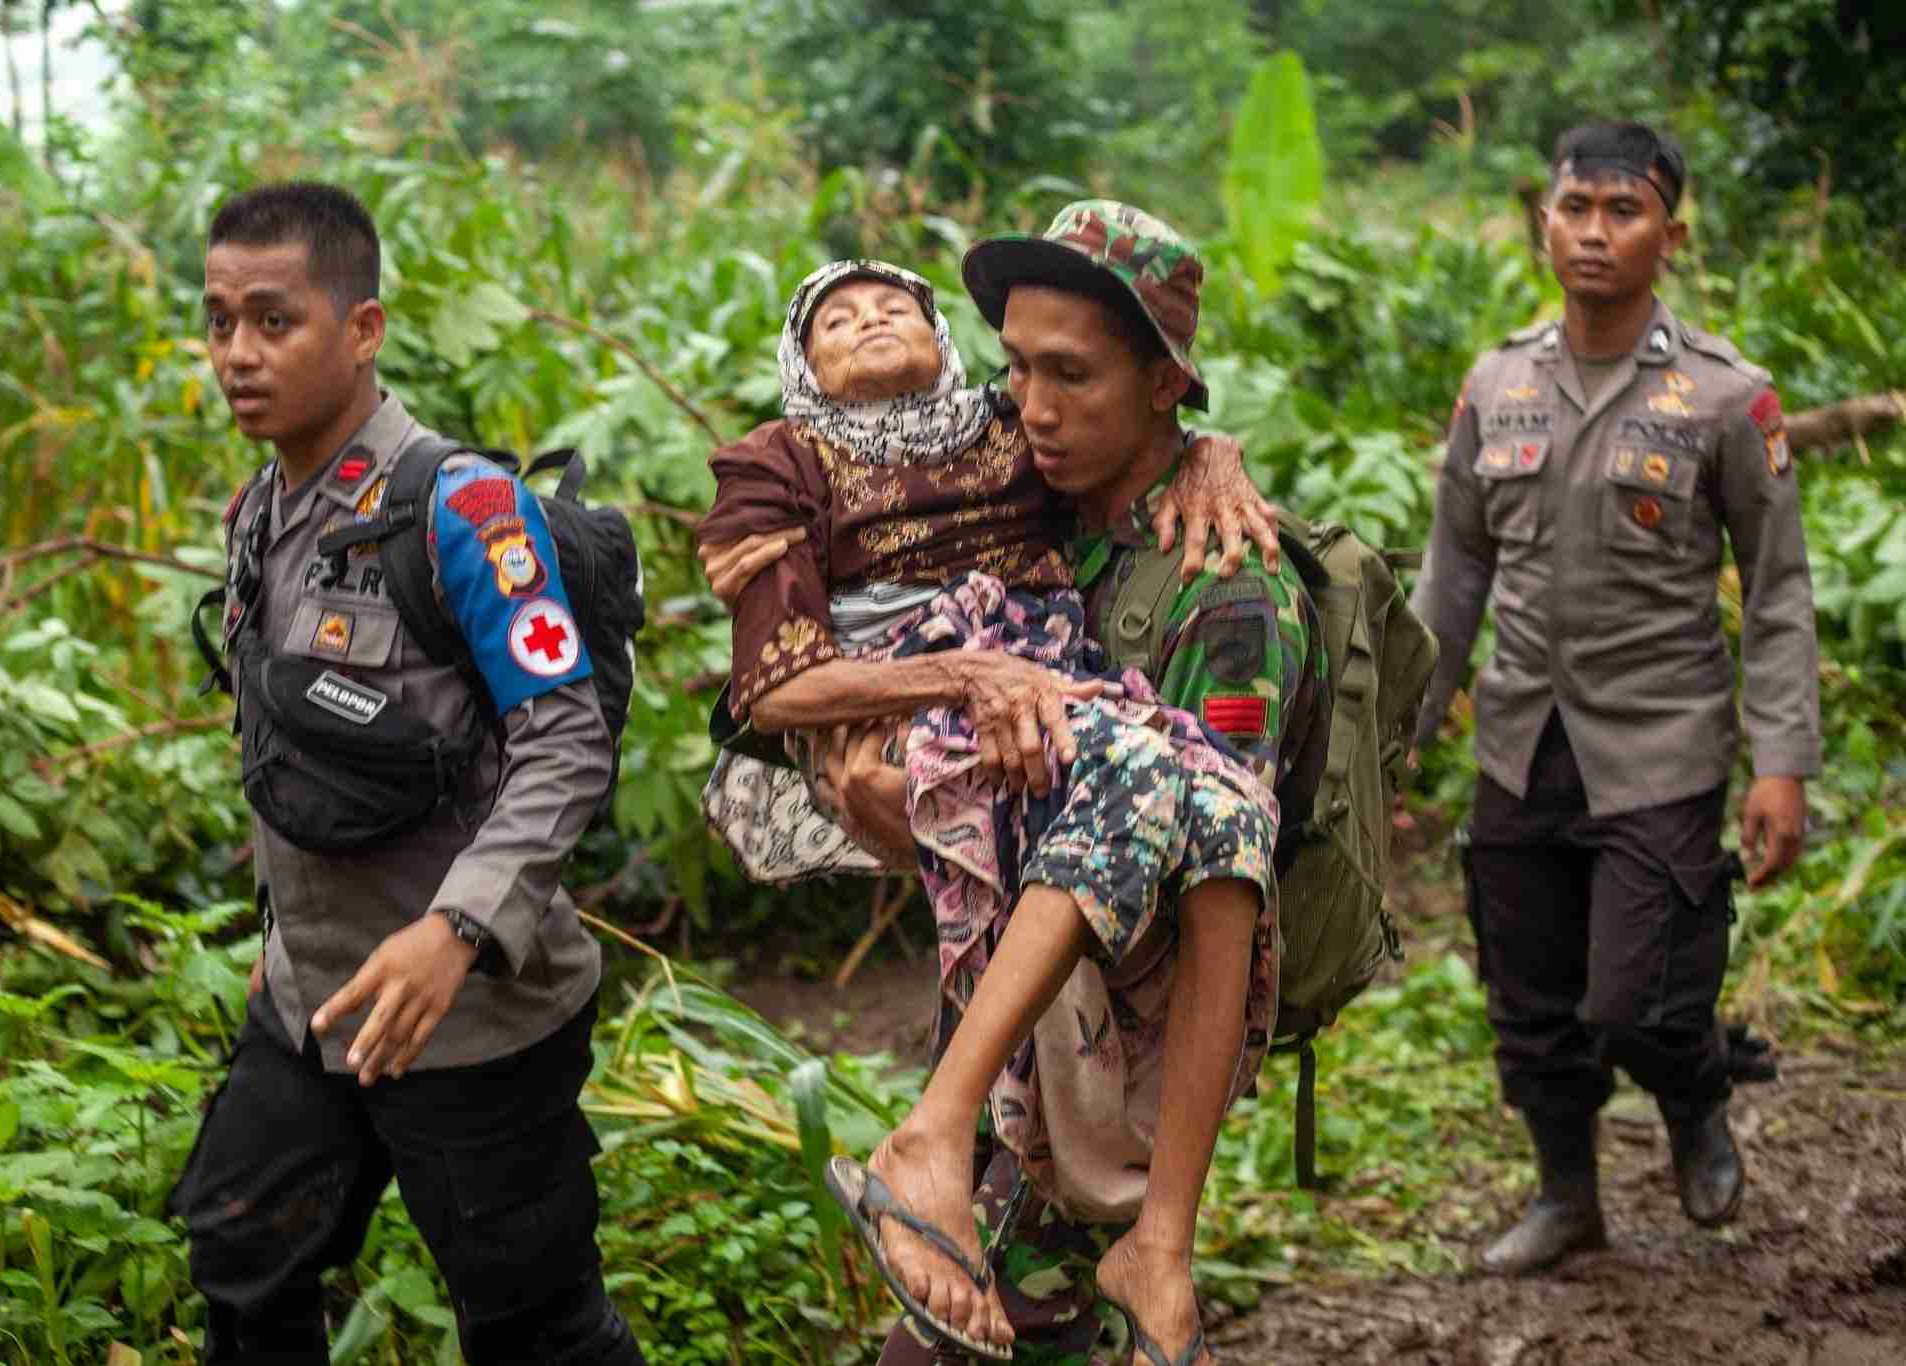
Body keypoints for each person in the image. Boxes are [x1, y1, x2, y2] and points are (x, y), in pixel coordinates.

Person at [704, 204, 1321, 1366]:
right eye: (1016, 367)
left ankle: (1029, 1197)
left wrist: (1164, 1225)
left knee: (964, 1345)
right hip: (1000, 1032)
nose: (1030, 408)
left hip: (1100, 1070)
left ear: (1164, 382)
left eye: (1071, 374)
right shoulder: (1033, 514)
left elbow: (1219, 896)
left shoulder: (1221, 588)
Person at [169, 182, 646, 1364]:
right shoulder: (259, 511)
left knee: (536, 1327)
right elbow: (288, 749)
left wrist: (459, 930)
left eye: (273, 321)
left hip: (472, 1016)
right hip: (316, 1003)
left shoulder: (463, 512)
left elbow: (564, 738)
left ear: (364, 328)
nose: (237, 352)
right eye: (220, 319)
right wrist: (281, 947)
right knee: (239, 1249)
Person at [1411, 123, 1820, 1277]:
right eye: (1573, 208)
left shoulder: (1726, 398)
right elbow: (1451, 576)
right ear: (1540, 221)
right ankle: (1565, 1196)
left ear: (1669, 235)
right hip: (1518, 738)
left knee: (1637, 997)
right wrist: (1393, 733)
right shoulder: (1495, 385)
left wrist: (1780, 760)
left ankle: (1692, 1097)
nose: (1593, 232)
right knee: (1528, 999)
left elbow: (1778, 589)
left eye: (1621, 211)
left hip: (1661, 743)